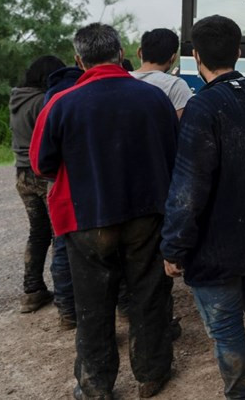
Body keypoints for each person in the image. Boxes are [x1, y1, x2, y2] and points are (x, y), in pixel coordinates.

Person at [30, 23, 177, 399]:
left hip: (87, 218)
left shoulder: (61, 103)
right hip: (146, 214)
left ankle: (96, 386)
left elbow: (41, 164)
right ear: (121, 53)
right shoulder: (153, 98)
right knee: (148, 294)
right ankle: (151, 375)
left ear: (79, 60)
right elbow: (173, 151)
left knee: (93, 304)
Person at [162, 15, 245, 400]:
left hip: (214, 243)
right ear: (238, 50)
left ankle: (242, 394)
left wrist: (173, 247)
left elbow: (189, 187)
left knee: (226, 325)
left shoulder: (202, 108)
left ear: (196, 55)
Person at [9, 55, 65, 314]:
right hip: (43, 175)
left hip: (22, 174)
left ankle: (32, 291)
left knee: (37, 232)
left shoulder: (16, 99)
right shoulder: (43, 101)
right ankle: (66, 295)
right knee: (59, 234)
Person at [42, 62, 84, 330]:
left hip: (59, 183)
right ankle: (124, 308)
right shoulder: (83, 92)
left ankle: (67, 312)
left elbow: (42, 159)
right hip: (89, 183)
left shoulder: (53, 96)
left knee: (62, 247)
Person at [133, 28, 193, 118]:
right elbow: (182, 125)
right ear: (173, 58)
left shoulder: (120, 80)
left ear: (139, 52)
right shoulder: (175, 85)